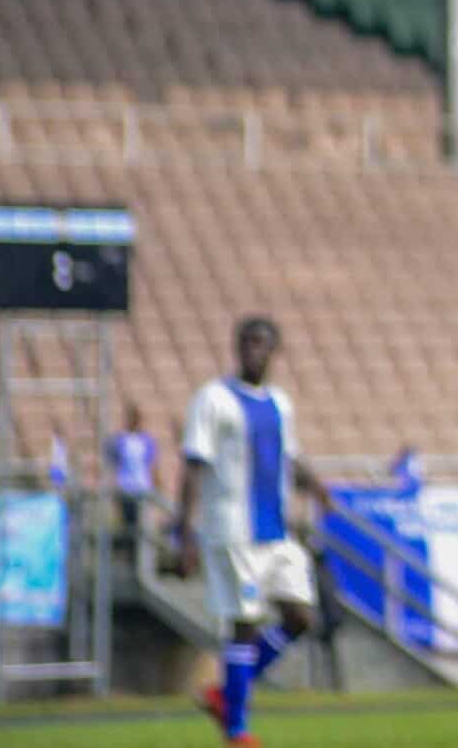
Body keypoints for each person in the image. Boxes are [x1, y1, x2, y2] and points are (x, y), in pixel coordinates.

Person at [178, 317, 333, 747]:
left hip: (276, 531)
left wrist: (315, 484)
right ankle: (237, 730)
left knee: (301, 617)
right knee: (244, 624)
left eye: (260, 343)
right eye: (245, 342)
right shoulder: (213, 399)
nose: (251, 349)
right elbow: (193, 465)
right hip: (233, 529)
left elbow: (290, 458)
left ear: (274, 350)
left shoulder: (281, 404)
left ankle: (224, 694)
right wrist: (184, 532)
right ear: (236, 347)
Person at [105, 402, 158, 540]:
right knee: (127, 527)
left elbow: (152, 464)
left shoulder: (146, 440)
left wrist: (156, 484)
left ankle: (140, 558)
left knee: (141, 528)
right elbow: (113, 463)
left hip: (142, 488)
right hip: (125, 488)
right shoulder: (120, 440)